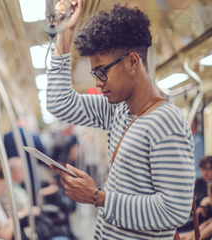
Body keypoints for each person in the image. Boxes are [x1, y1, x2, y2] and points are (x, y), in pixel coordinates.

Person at [46, 1, 195, 239]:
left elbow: (173, 211)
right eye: (95, 73)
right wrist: (66, 33)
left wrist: (97, 197)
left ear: (133, 62)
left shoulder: (166, 122)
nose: (97, 82)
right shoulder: (118, 110)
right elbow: (58, 102)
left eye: (102, 71)